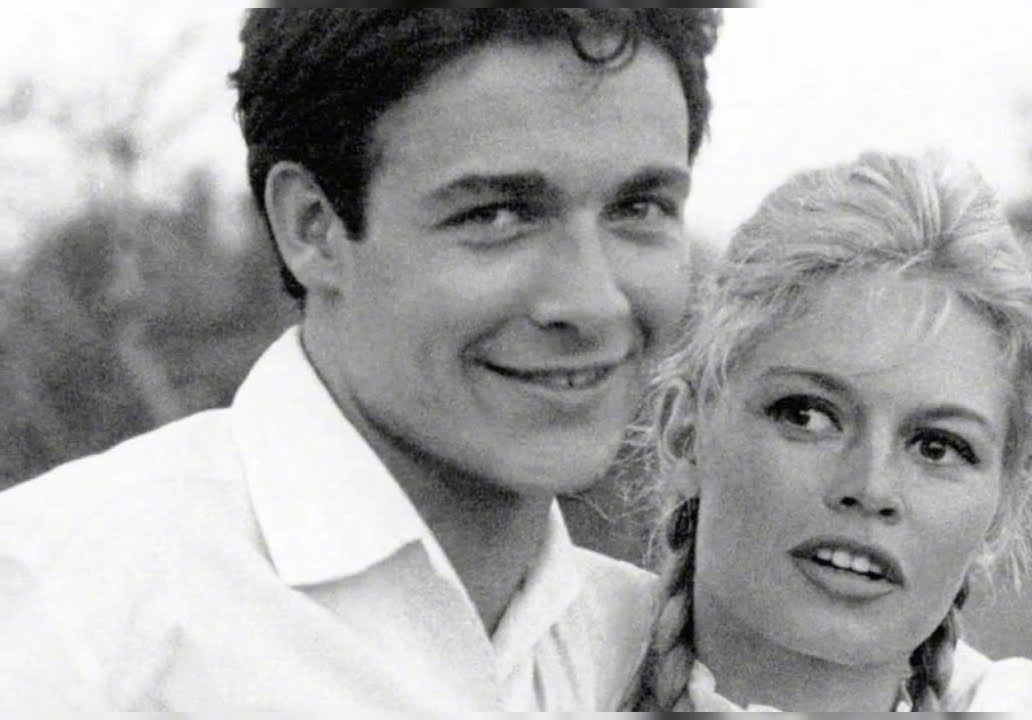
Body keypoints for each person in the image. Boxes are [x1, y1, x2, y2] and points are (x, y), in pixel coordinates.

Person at [0, 9, 719, 710]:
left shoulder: (656, 652)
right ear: (311, 228)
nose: (592, 302)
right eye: (496, 214)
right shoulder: (76, 607)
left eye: (640, 208)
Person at [639, 151, 1032, 711]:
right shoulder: (542, 670)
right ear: (683, 434)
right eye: (807, 416)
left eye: (937, 447)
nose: (870, 487)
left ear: (1005, 506)